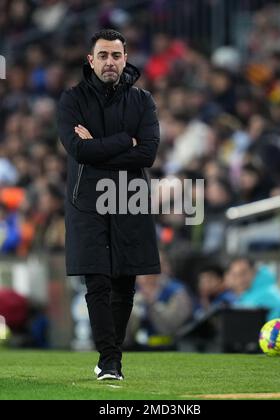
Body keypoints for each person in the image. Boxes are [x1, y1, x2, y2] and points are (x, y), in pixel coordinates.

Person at [57, 29, 160, 381]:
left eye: (116, 55)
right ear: (91, 60)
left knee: (124, 283)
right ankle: (111, 360)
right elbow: (78, 150)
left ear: (125, 58)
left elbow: (147, 153)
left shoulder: (143, 101)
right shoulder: (71, 100)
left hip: (128, 198)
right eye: (103, 55)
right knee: (96, 280)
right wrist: (123, 142)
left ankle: (109, 357)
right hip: (86, 200)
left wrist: (100, 148)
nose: (110, 62)